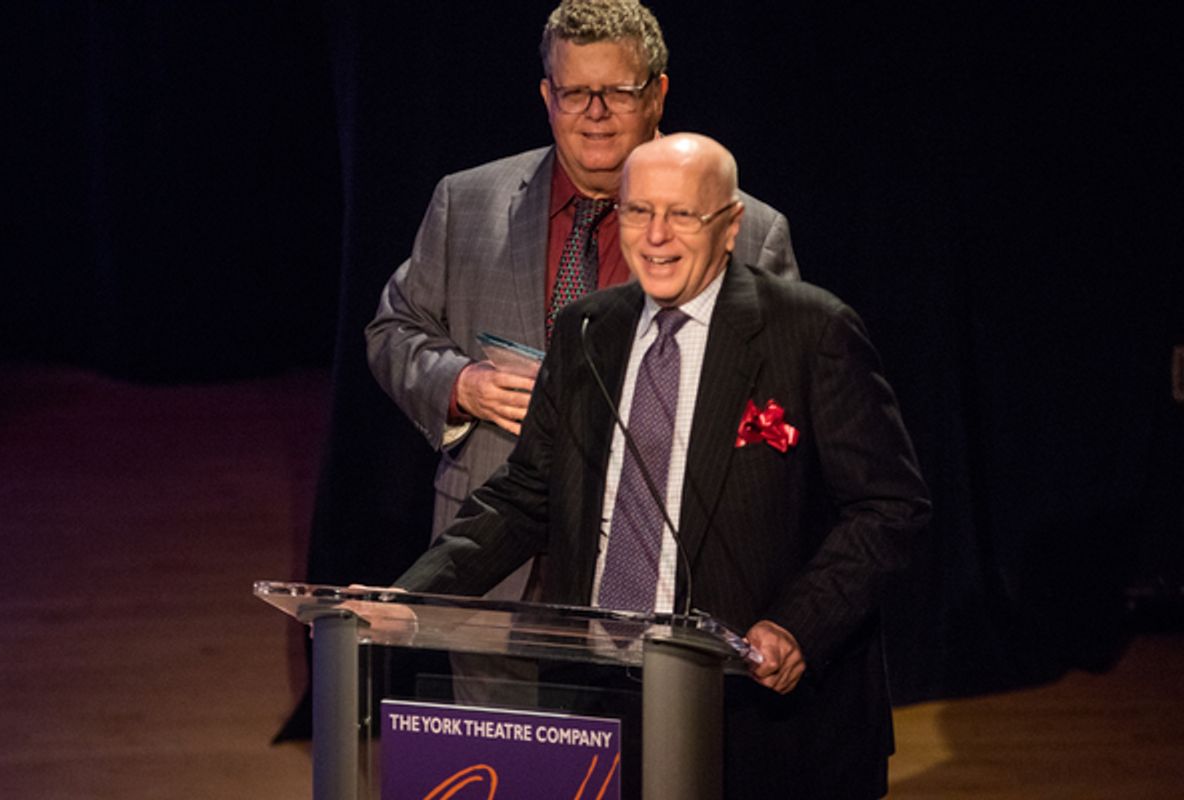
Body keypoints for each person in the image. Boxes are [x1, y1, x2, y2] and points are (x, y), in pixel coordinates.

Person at [388, 133, 932, 797]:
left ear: (730, 226)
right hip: (601, 699)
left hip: (757, 711)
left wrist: (798, 623)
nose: (656, 236)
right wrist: (412, 594)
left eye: (683, 215)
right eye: (638, 212)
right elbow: (527, 492)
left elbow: (888, 507)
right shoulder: (587, 329)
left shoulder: (811, 333)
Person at [365, 0, 799, 605]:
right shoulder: (466, 203)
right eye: (574, 93)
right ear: (547, 97)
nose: (595, 115)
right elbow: (394, 329)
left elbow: (778, 415)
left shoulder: (746, 231)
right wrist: (460, 384)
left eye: (617, 92)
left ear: (657, 94)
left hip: (657, 569)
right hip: (488, 570)